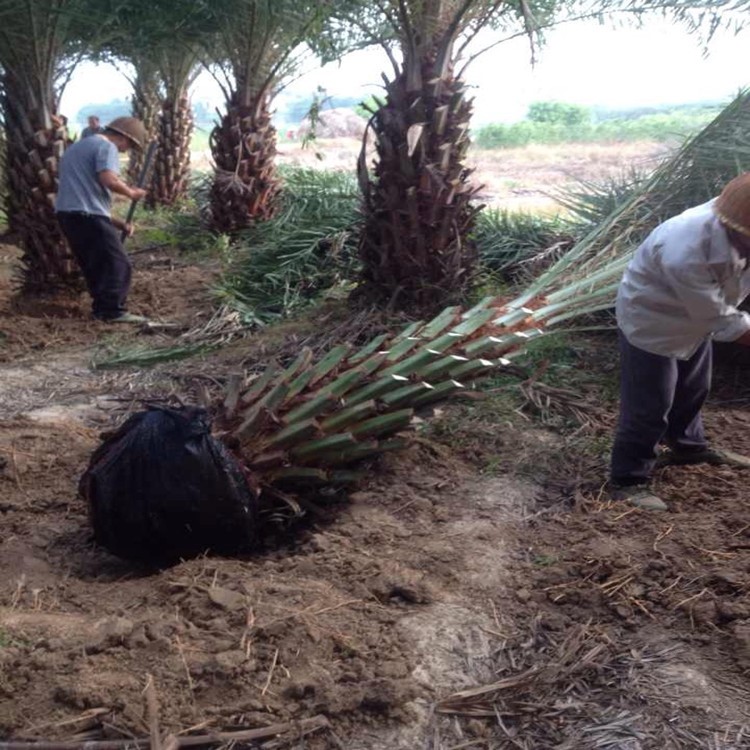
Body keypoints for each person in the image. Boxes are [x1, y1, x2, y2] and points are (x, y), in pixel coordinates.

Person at [610, 173, 750, 511]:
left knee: (693, 387)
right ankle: (628, 478)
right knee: (649, 406)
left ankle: (688, 446)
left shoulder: (737, 223)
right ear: (738, 231)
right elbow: (719, 318)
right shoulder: (685, 248)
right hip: (654, 323)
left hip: (695, 322)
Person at [55, 116, 149, 324]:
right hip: (86, 217)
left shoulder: (79, 147)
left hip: (69, 216)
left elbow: (84, 198)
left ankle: (101, 309)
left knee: (96, 264)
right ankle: (112, 311)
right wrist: (131, 193)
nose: (126, 151)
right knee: (117, 263)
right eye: (129, 146)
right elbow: (108, 179)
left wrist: (119, 224)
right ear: (123, 137)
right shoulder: (106, 147)